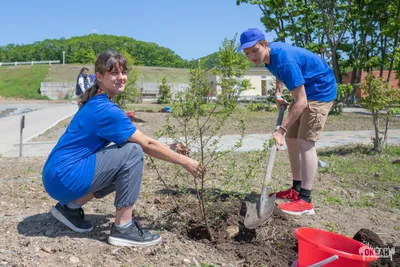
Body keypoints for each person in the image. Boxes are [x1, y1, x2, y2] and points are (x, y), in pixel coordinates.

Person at [42, 50, 204, 247]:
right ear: (99, 76)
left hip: (56, 176)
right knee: (132, 153)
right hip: (65, 177)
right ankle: (124, 227)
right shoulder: (106, 110)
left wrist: (169, 148)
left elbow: (140, 140)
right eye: (114, 73)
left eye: (123, 72)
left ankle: (70, 207)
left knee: (127, 153)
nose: (121, 78)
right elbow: (145, 145)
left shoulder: (98, 103)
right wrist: (186, 161)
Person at [238, 28, 337, 216]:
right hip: (305, 90)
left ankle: (306, 201)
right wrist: (278, 93)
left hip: (320, 91)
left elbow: (302, 101)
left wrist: (281, 130)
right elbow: (279, 72)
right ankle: (296, 189)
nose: (251, 56)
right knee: (292, 140)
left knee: (305, 142)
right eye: (247, 53)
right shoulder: (269, 56)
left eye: (254, 50)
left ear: (265, 44)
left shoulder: (285, 61)